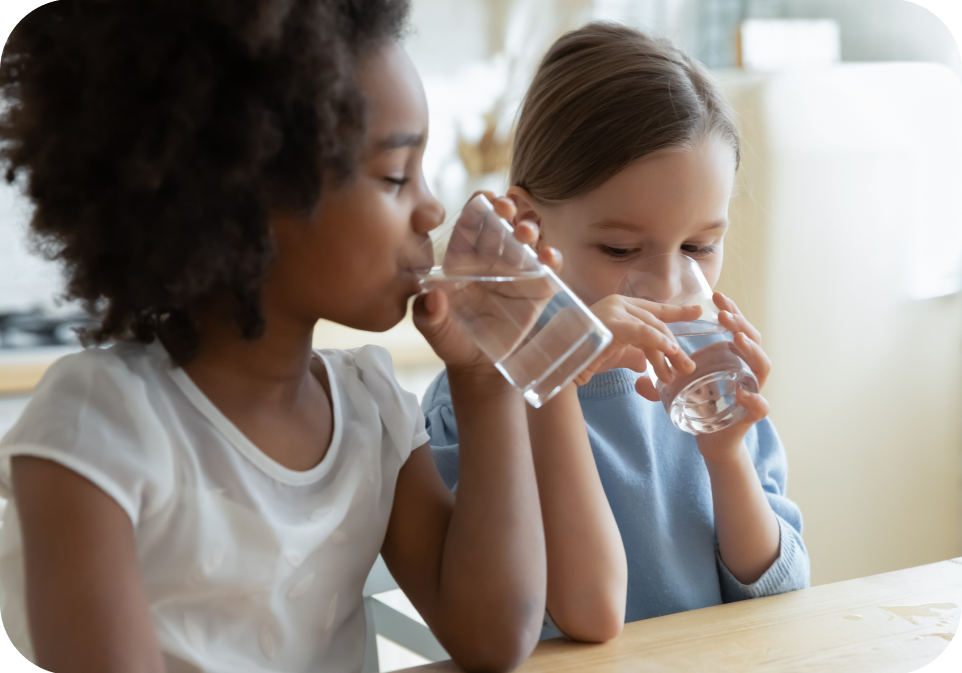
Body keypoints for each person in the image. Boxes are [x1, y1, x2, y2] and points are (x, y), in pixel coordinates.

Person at [0, 2, 558, 671]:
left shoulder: (372, 410)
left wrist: (484, 375)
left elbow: (495, 635)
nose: (433, 208)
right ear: (242, 202)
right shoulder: (100, 431)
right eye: (394, 176)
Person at [422, 21, 810, 639]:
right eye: (622, 249)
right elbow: (583, 613)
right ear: (530, 226)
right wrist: (553, 364)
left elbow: (780, 596)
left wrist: (727, 458)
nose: (666, 285)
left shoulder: (706, 387)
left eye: (700, 245)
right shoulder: (481, 396)